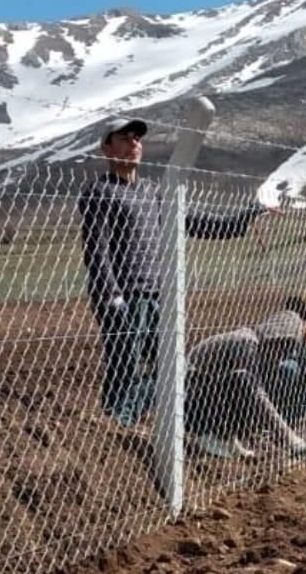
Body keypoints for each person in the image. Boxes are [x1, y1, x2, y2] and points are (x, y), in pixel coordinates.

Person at [78, 116, 272, 427]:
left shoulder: (154, 192)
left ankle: (118, 421)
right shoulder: (99, 191)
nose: (134, 144)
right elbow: (96, 252)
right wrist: (112, 298)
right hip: (125, 296)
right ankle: (113, 428)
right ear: (106, 148)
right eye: (125, 138)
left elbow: (201, 223)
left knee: (173, 370)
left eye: (137, 139)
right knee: (124, 366)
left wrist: (246, 215)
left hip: (159, 296)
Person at [185, 285, 306, 459]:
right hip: (191, 399)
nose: (284, 354)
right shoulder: (246, 345)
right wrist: (289, 438)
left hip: (202, 393)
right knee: (247, 385)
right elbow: (255, 394)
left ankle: (226, 437)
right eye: (284, 347)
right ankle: (206, 433)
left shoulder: (261, 345)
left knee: (259, 385)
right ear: (276, 340)